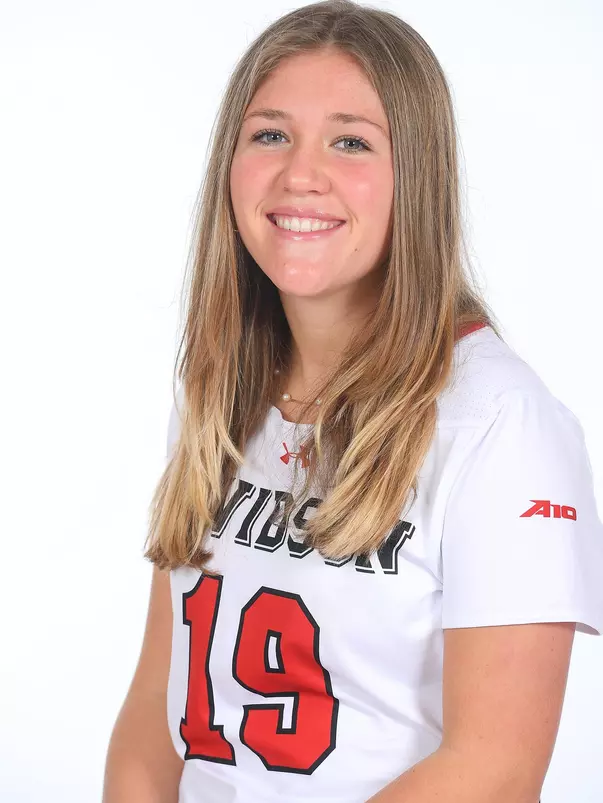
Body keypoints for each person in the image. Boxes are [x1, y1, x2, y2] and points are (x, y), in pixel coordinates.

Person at [102, 2, 603, 801]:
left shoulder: (502, 425)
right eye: (269, 133)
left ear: (419, 175)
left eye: (351, 142)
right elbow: (154, 712)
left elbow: (494, 770)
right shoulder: (219, 396)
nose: (301, 174)